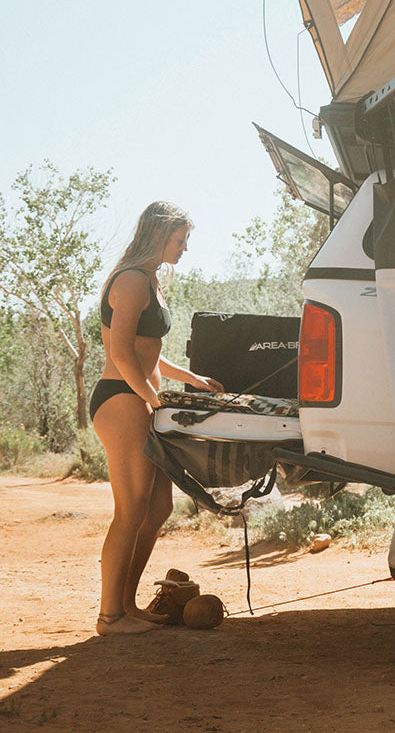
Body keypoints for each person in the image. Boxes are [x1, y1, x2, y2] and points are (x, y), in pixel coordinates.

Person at [91, 201, 222, 635]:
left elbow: (152, 354)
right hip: (122, 400)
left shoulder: (149, 280)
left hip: (141, 398)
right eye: (179, 240)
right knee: (130, 510)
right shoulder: (130, 280)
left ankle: (126, 606)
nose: (185, 249)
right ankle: (110, 616)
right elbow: (121, 353)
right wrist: (152, 400)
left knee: (158, 507)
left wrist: (194, 378)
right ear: (157, 235)